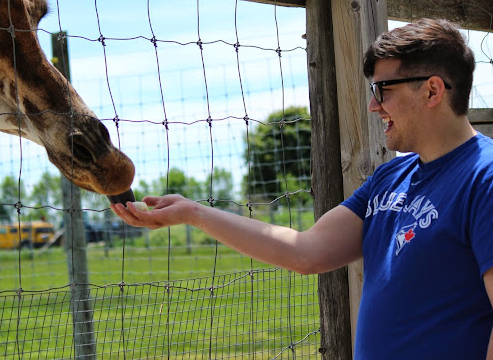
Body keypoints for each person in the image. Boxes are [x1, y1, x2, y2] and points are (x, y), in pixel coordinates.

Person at [111, 18, 493, 359]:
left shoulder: (484, 179)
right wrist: (193, 213)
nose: (373, 106)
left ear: (432, 91)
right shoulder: (391, 178)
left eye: (382, 90)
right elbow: (305, 252)